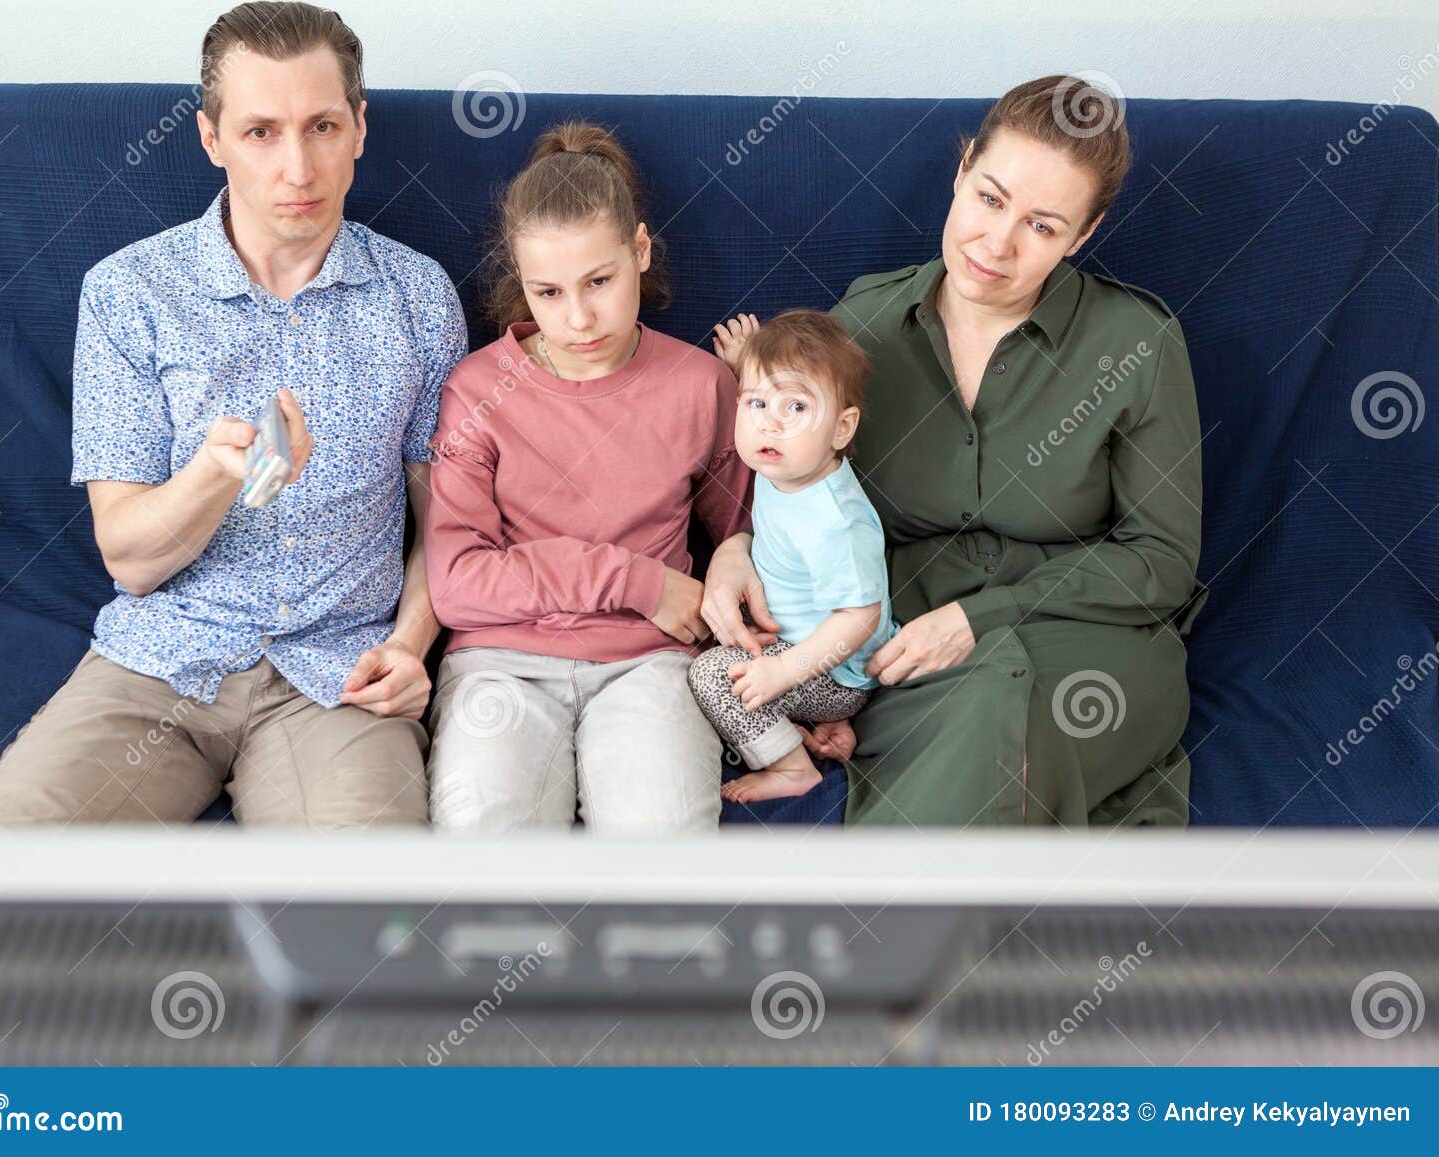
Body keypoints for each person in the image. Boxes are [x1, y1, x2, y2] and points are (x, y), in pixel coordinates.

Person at [0, 2, 465, 828]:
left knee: (368, 915)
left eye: (323, 126)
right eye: (262, 131)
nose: (298, 167)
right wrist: (214, 475)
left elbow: (446, 515)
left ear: (360, 129)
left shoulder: (419, 296)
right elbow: (129, 561)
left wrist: (412, 645)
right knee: (3, 863)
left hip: (337, 677)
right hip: (160, 663)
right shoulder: (129, 292)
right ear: (212, 140)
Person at [701, 76, 1208, 826]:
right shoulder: (861, 329)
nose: (996, 245)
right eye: (991, 197)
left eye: (1042, 226)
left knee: (1013, 709)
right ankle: (935, 924)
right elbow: (802, 477)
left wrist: (986, 613)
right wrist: (735, 547)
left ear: (1084, 234)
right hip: (908, 652)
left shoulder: (1138, 344)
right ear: (962, 168)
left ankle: (892, 929)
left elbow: (1161, 560)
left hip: (1092, 637)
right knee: (979, 709)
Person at [423, 120, 754, 833]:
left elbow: (747, 528)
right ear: (521, 280)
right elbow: (456, 584)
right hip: (501, 663)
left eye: (600, 281)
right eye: (547, 292)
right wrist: (639, 582)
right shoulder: (479, 389)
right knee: (488, 843)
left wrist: (735, 553)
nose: (578, 318)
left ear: (640, 249)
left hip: (650, 664)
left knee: (659, 849)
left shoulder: (698, 384)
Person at [689, 310, 894, 804]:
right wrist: (748, 366)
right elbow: (771, 410)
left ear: (841, 429)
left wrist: (786, 672)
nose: (769, 424)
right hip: (798, 645)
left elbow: (861, 617)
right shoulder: (787, 464)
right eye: (756, 403)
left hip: (833, 669)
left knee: (712, 676)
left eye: (797, 408)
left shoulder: (835, 521)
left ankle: (791, 766)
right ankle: (815, 726)